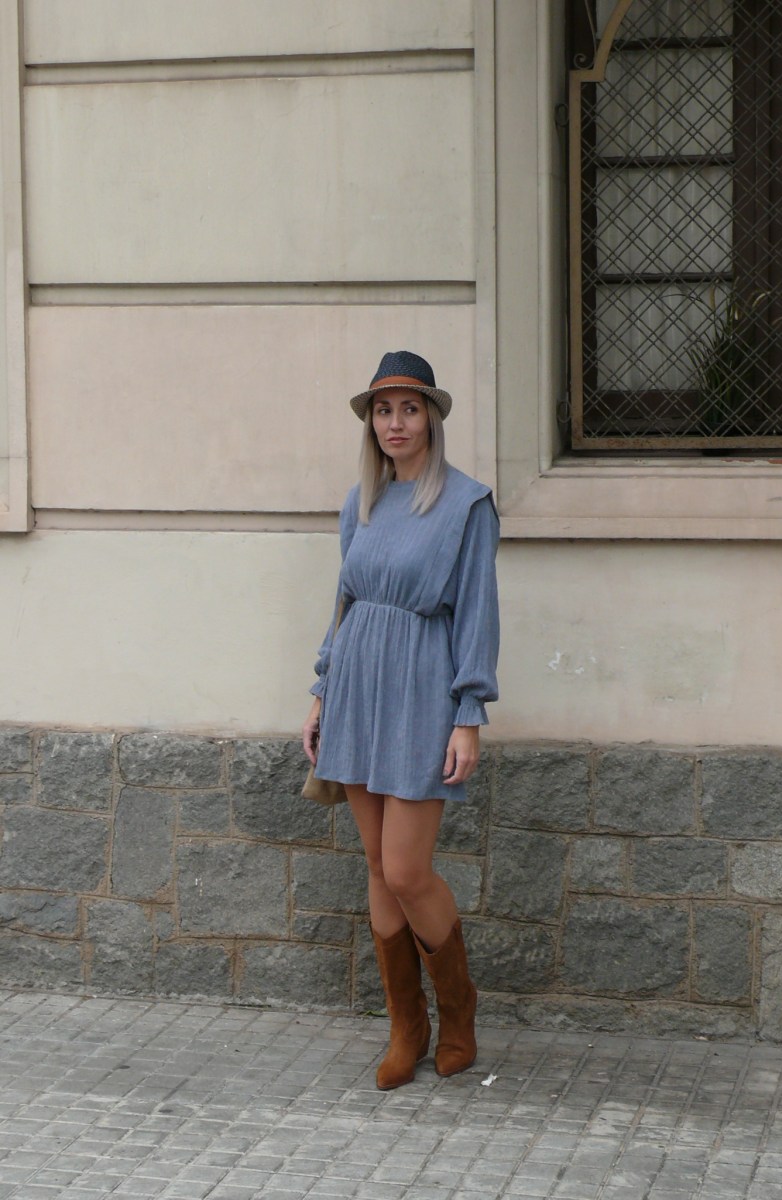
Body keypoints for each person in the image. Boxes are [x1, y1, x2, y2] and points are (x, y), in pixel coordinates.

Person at [303, 350, 500, 1090]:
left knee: (407, 869)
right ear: (371, 423)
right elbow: (344, 604)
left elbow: (477, 611)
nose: (395, 423)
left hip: (422, 691)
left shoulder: (467, 505)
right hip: (356, 689)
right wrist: (322, 691)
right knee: (377, 868)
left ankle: (459, 1012)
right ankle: (405, 1028)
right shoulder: (361, 503)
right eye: (383, 411)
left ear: (431, 418)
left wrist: (468, 713)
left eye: (409, 409)